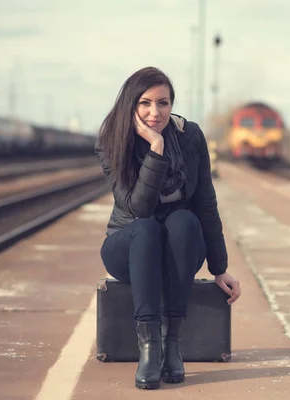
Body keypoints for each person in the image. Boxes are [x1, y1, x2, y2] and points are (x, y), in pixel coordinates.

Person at [95, 66, 241, 390]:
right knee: (147, 228)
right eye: (145, 103)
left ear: (172, 104)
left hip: (178, 247)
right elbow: (139, 208)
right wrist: (156, 148)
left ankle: (172, 343)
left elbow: (205, 202)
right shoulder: (111, 140)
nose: (154, 112)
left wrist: (220, 268)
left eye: (163, 103)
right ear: (131, 105)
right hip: (129, 246)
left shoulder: (191, 136)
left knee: (185, 219)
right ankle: (150, 348)